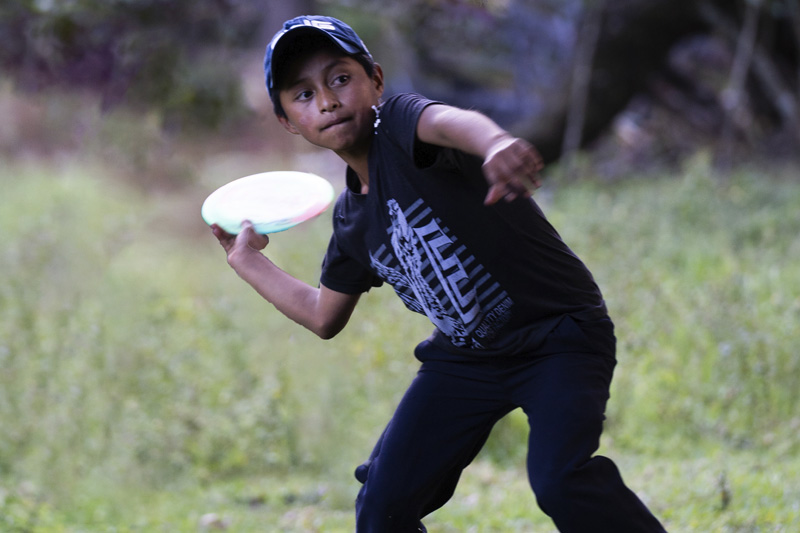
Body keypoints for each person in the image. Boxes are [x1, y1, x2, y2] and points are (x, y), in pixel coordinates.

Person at [211, 15, 667, 533]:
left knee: (560, 480)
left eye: (340, 78)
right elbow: (323, 315)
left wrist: (494, 144)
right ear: (289, 121)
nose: (328, 101)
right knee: (383, 505)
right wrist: (246, 259)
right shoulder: (352, 222)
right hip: (468, 359)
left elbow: (453, 123)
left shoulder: (403, 126)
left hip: (558, 336)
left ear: (376, 81)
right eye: (304, 94)